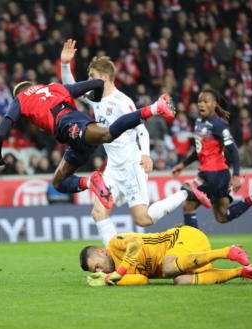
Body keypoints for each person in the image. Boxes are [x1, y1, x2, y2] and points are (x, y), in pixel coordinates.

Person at [60, 39, 211, 245]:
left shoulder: (123, 102)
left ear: (104, 78)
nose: (88, 80)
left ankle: (186, 192)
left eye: (92, 76)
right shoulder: (94, 98)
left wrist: (146, 154)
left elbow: (141, 129)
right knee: (98, 213)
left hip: (131, 166)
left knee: (142, 219)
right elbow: (70, 87)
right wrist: (64, 64)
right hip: (113, 168)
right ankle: (115, 259)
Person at [0, 66, 176, 210]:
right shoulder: (54, 87)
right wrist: (95, 100)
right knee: (59, 182)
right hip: (73, 129)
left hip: (68, 124)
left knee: (107, 134)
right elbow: (97, 83)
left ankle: (155, 108)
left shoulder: (20, 99)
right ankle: (91, 181)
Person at [171, 89, 252, 229]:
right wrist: (183, 164)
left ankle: (193, 244)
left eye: (205, 101)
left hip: (213, 175)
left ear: (214, 104)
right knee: (223, 216)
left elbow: (234, 150)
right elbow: (200, 149)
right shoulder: (199, 121)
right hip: (218, 174)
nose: (201, 105)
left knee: (188, 206)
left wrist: (236, 176)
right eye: (199, 101)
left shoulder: (218, 124)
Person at [80, 225, 252, 286]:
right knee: (181, 281)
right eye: (95, 271)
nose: (99, 270)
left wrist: (119, 271)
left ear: (101, 252)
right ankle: (242, 272)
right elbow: (143, 280)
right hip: (186, 260)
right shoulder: (121, 272)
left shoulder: (114, 243)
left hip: (184, 237)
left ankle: (227, 252)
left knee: (167, 267)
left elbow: (135, 244)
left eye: (97, 266)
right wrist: (111, 279)